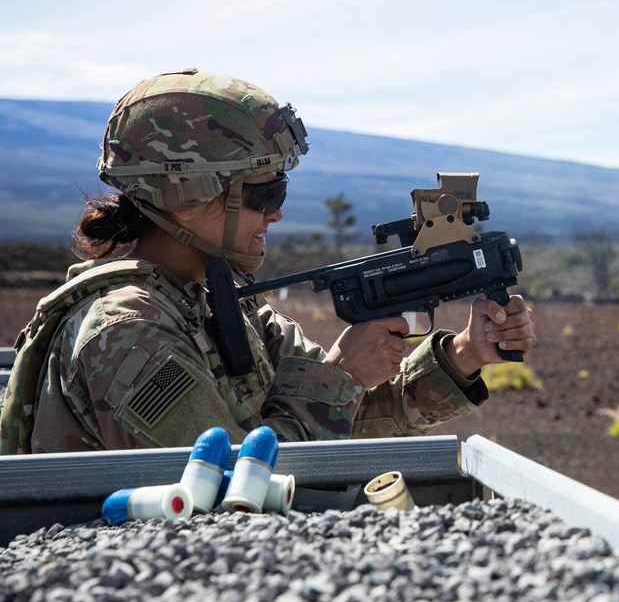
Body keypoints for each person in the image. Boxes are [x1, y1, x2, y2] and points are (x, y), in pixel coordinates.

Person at [0, 69, 535, 454]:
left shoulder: (222, 305)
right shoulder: (126, 333)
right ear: (187, 193)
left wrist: (465, 353)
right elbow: (229, 489)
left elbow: (342, 422)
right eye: (264, 195)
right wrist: (340, 373)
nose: (275, 216)